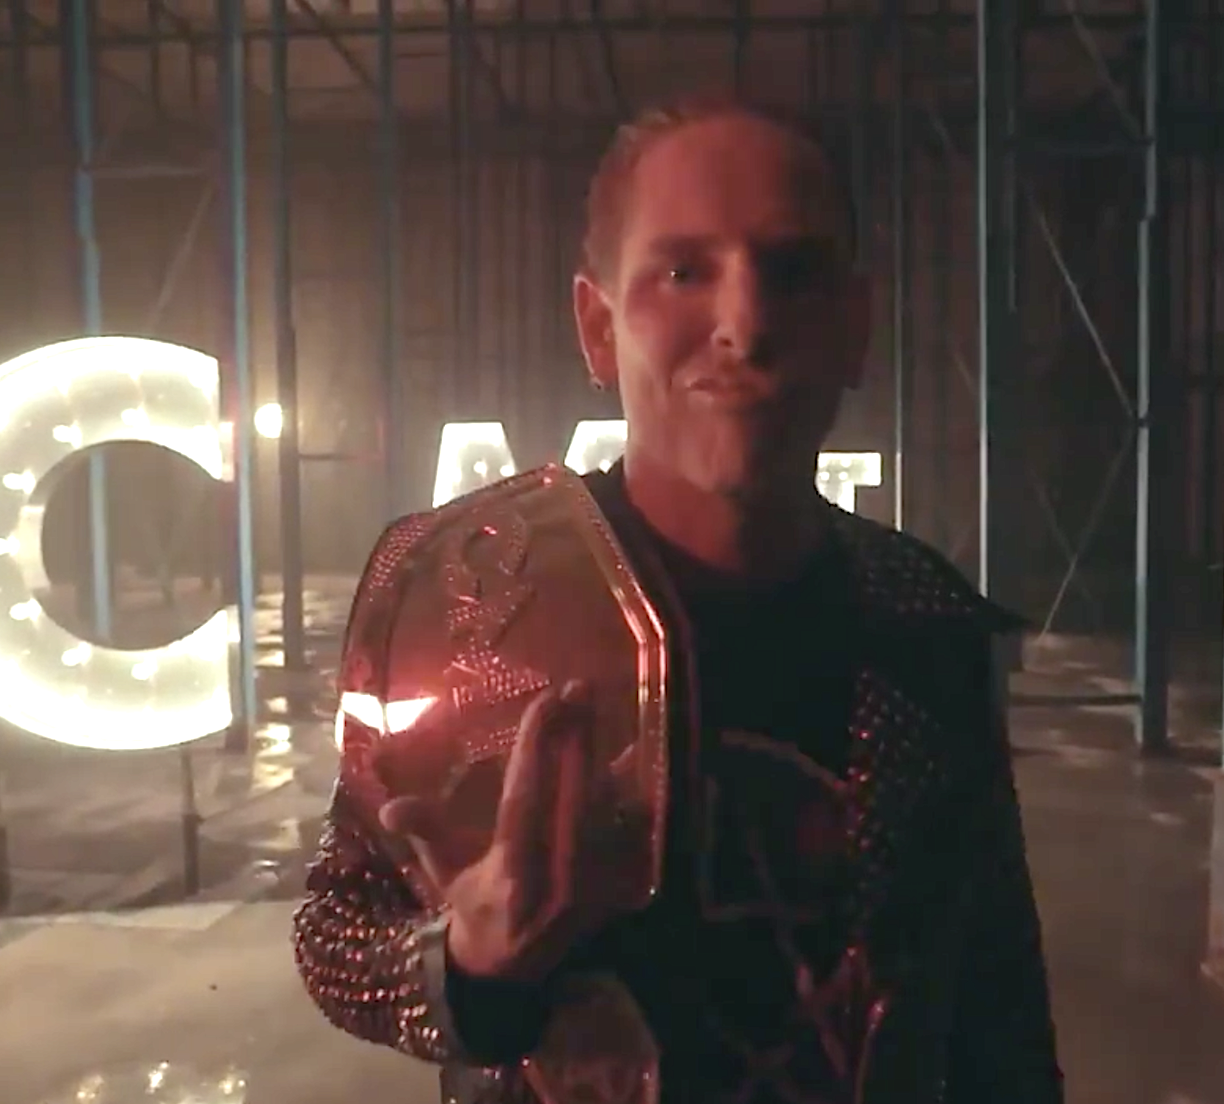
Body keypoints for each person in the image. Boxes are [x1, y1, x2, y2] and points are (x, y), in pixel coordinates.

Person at [294, 92, 1063, 1104]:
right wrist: (470, 965)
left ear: (853, 326)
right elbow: (340, 926)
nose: (744, 325)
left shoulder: (923, 617)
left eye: (792, 271)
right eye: (682, 272)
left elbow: (995, 1001)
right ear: (597, 326)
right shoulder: (460, 590)